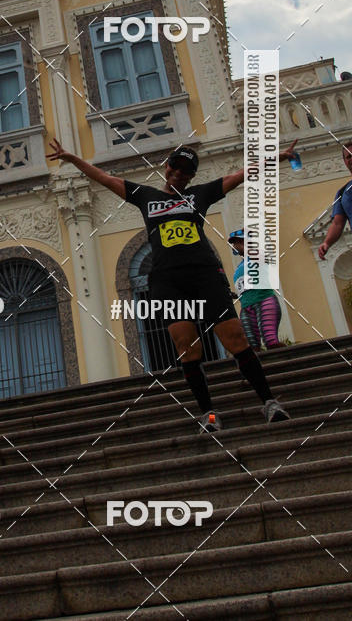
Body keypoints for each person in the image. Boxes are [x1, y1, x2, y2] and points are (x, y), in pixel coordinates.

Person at [46, 137, 298, 433]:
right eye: (175, 168)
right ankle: (210, 414)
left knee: (235, 339)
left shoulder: (200, 194)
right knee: (186, 347)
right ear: (166, 168)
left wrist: (279, 157)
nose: (178, 174)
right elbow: (103, 177)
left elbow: (241, 174)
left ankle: (269, 402)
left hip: (205, 274)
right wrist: (72, 159)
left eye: (185, 171)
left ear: (191, 176)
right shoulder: (146, 196)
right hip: (167, 280)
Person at [228, 229, 285, 351]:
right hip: (246, 307)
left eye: (239, 242)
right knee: (251, 346)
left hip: (264, 301)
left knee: (270, 340)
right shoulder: (239, 267)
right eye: (235, 243)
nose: (236, 245)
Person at [318, 140, 352, 260]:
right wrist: (327, 243)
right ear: (345, 161)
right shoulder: (343, 193)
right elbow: (338, 223)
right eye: (348, 157)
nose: (351, 159)